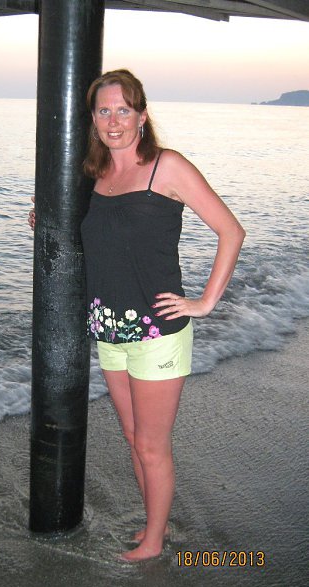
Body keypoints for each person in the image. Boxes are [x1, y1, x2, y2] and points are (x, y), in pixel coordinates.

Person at [28, 69, 245, 562]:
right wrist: (49, 219)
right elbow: (95, 238)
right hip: (109, 330)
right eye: (103, 111)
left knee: (151, 445)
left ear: (142, 116)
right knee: (132, 437)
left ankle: (153, 542)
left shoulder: (166, 167)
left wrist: (205, 302)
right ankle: (155, 526)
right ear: (93, 119)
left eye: (123, 110)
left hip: (157, 332)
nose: (113, 121)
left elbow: (231, 231)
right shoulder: (96, 174)